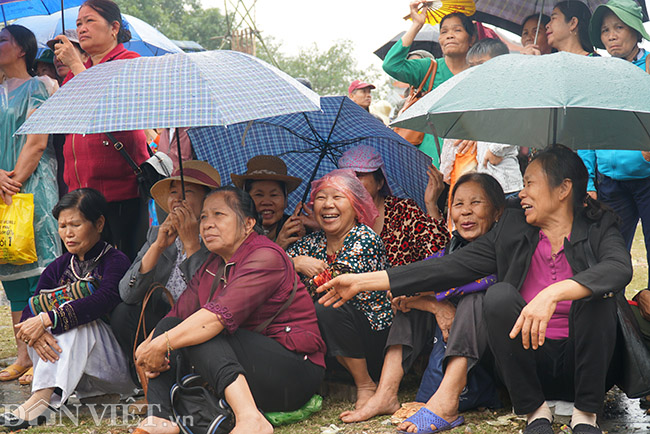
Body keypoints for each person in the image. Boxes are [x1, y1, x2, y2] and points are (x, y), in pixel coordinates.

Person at [318, 146, 632, 434]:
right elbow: (444, 268)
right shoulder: (513, 227)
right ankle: (535, 413)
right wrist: (362, 281)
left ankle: (585, 415)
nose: (522, 193)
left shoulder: (599, 226)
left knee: (599, 297)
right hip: (529, 364)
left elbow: (619, 269)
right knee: (499, 296)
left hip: (588, 366)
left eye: (530, 183)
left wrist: (554, 292)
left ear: (563, 189)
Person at [132, 186, 326, 434]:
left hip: (294, 371)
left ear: (247, 224)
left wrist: (160, 345)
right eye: (203, 217)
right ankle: (159, 418)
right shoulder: (212, 264)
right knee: (171, 328)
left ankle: (251, 419)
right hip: (250, 369)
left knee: (203, 330)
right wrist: (145, 349)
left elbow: (213, 320)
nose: (207, 224)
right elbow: (176, 317)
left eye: (218, 215)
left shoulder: (265, 256)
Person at [340, 173, 505, 425]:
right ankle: (385, 394)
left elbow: (474, 284)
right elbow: (405, 288)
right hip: (449, 344)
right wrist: (434, 305)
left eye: (476, 203)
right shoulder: (451, 250)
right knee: (413, 306)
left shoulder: (501, 249)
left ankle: (448, 400)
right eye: (458, 204)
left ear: (497, 212)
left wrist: (429, 297)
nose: (466, 212)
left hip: (489, 357)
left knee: (473, 301)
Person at [0, 189, 133, 429]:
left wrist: (48, 319)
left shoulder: (116, 261)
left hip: (112, 366)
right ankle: (43, 395)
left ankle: (41, 399)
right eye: (62, 226)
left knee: (72, 317)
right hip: (76, 375)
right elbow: (31, 310)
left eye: (75, 224)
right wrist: (39, 333)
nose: (67, 233)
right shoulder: (59, 266)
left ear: (99, 223)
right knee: (46, 319)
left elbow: (104, 299)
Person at [53, 0, 150, 261]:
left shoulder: (129, 62)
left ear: (114, 27)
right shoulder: (76, 74)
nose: (82, 28)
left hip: (117, 193)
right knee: (85, 269)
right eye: (78, 24)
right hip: (79, 190)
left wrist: (76, 65)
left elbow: (110, 110)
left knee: (118, 265)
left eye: (90, 21)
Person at [287, 169, 391, 410]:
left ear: (356, 206)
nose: (327, 205)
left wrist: (295, 270)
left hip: (371, 337)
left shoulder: (365, 238)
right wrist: (295, 262)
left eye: (337, 197)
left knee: (327, 305)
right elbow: (274, 270)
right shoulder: (311, 242)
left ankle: (365, 384)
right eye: (321, 198)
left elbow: (334, 282)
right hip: (332, 342)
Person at [112, 161, 220, 384]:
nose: (178, 200)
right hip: (162, 314)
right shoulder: (158, 233)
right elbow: (127, 292)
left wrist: (192, 245)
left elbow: (208, 297)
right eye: (173, 193)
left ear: (207, 200)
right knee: (124, 312)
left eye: (187, 192)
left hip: (197, 318)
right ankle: (144, 381)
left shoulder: (217, 234)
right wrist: (158, 246)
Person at [0, 25, 61, 385]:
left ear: (22, 48)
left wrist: (14, 183)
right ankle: (23, 355)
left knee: (42, 270)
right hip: (2, 187)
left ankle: (45, 354)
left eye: (2, 40)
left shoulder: (42, 87)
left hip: (32, 187)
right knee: (10, 266)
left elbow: (37, 142)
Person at [578, 0, 650, 288]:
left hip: (647, 178)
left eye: (619, 27)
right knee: (609, 252)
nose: (611, 35)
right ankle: (613, 314)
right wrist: (591, 182)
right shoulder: (597, 77)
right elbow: (587, 130)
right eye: (605, 30)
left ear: (635, 31)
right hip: (610, 183)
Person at [383, 1, 477, 166]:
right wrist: (416, 25)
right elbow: (391, 65)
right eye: (444, 31)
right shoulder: (428, 68)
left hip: (466, 161)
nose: (449, 35)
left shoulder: (479, 75)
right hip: (428, 161)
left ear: (471, 39)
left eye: (457, 30)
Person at [338, 145, 449, 265]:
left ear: (380, 182)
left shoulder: (403, 211)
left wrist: (431, 204)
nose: (353, 181)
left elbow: (438, 256)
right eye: (348, 176)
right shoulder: (339, 217)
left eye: (359, 175)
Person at [459, 39, 523, 199]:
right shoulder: (481, 98)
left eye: (481, 65)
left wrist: (495, 149)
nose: (475, 71)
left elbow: (517, 125)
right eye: (471, 66)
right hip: (487, 181)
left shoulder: (508, 93)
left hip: (507, 183)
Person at [231, 155, 306, 250]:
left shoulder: (296, 231)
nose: (266, 202)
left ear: (286, 200)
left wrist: (305, 238)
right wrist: (278, 247)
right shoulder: (233, 236)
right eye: (259, 195)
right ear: (246, 200)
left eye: (274, 195)